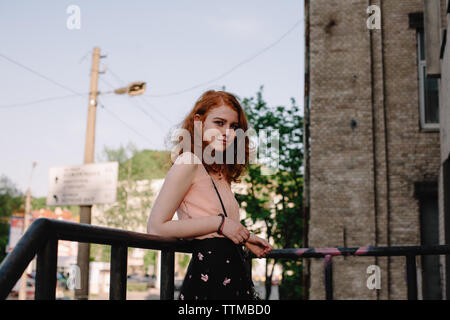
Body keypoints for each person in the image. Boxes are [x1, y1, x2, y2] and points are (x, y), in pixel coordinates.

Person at [147, 90, 272, 300]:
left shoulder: (221, 172)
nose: (227, 132)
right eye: (219, 123)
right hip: (209, 280)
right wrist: (219, 224)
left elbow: (216, 222)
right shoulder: (189, 162)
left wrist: (244, 238)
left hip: (232, 277)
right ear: (199, 122)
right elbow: (156, 227)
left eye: (233, 127)